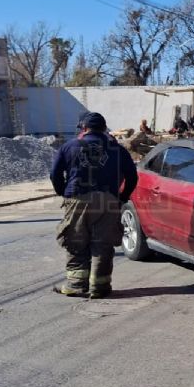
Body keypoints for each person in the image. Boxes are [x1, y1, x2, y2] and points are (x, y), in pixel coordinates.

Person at [50, 112, 138, 299]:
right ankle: (100, 287)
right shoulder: (118, 149)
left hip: (77, 199)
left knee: (76, 240)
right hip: (108, 199)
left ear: (83, 128)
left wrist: (63, 192)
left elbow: (55, 174)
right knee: (103, 244)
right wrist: (122, 198)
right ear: (104, 128)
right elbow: (132, 176)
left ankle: (76, 285)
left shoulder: (69, 146)